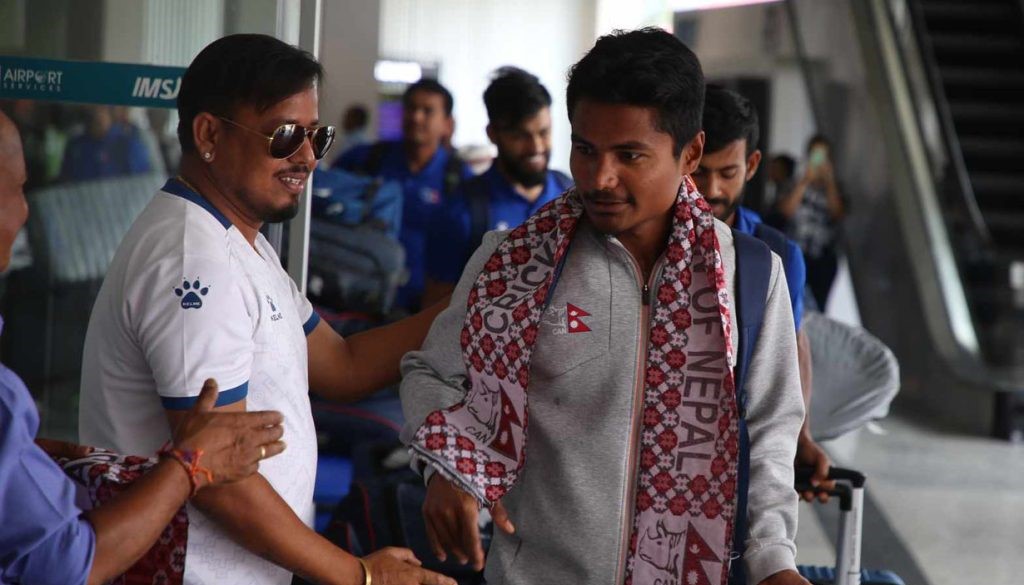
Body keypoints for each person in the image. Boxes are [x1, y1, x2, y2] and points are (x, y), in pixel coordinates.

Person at [401, 28, 808, 585]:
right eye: (586, 149)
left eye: (629, 155)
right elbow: (432, 371)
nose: (600, 178)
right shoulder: (512, 264)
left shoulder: (750, 277)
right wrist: (447, 467)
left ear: (689, 153)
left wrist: (772, 561)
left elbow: (769, 431)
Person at [77, 34, 455, 585]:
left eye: (316, 136)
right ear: (209, 134)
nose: (307, 157)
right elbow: (216, 476)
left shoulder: (239, 242)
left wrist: (469, 307)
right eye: (285, 135)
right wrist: (360, 576)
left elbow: (343, 365)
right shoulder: (193, 260)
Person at [0, 109, 287, 585]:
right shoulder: (186, 251)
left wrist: (32, 453)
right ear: (209, 134)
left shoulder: (252, 250)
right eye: (18, 189)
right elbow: (65, 565)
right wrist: (189, 467)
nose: (28, 210)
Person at [692, 86, 832, 501]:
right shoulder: (646, 239)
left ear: (752, 165)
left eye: (727, 173)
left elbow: (790, 348)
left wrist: (800, 438)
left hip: (737, 449)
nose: (712, 189)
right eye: (699, 172)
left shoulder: (777, 255)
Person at [422, 67, 573, 306]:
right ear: (492, 134)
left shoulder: (573, 198)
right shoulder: (460, 213)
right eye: (520, 136)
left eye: (543, 132)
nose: (536, 147)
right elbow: (435, 312)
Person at [334, 79, 473, 311]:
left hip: (424, 307)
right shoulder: (366, 159)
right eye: (411, 108)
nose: (416, 117)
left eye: (427, 111)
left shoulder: (460, 179)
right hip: (356, 300)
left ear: (447, 124)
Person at [775, 135, 846, 309]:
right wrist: (805, 180)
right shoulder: (794, 183)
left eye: (823, 156)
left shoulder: (836, 188)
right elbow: (785, 211)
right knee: (790, 302)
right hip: (795, 252)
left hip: (822, 258)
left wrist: (829, 181)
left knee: (818, 308)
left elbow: (837, 213)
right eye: (815, 155)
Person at [59, 105, 153, 182]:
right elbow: (66, 182)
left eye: (101, 109)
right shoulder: (76, 146)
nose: (96, 114)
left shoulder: (129, 144)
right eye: (92, 109)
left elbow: (142, 182)